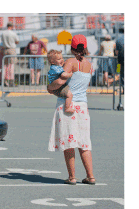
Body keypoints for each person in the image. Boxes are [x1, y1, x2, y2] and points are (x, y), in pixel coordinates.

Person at [47, 34, 96, 185]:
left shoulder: (70, 62)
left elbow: (59, 82)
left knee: (69, 144)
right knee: (84, 143)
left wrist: (49, 87)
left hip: (67, 105)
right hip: (82, 106)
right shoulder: (89, 65)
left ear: (72, 48)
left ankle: (72, 177)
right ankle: (90, 176)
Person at [1, 22, 19, 86]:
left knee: (5, 66)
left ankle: (5, 81)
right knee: (11, 66)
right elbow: (17, 41)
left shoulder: (3, 33)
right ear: (11, 27)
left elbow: (2, 41)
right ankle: (11, 81)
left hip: (5, 49)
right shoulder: (13, 33)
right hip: (12, 49)